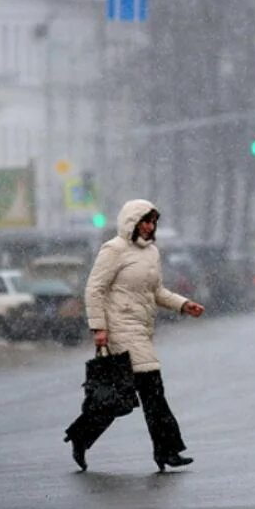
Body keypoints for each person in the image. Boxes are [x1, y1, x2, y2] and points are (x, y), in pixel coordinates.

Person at [64, 199, 205, 472]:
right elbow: (94, 289)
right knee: (153, 390)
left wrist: (183, 304)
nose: (151, 227)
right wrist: (99, 328)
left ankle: (81, 435)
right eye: (146, 221)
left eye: (153, 222)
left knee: (119, 398)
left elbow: (157, 292)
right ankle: (167, 450)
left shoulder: (151, 253)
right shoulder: (113, 250)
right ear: (132, 222)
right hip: (120, 331)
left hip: (141, 328)